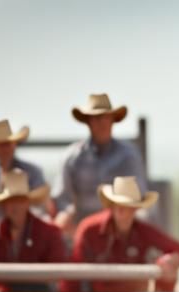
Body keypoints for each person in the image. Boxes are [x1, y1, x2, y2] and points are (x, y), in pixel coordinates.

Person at [52, 94, 147, 234]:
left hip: (120, 215)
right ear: (88, 122)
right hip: (81, 221)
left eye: (106, 117)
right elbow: (62, 198)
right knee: (59, 223)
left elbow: (138, 192)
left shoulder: (128, 155)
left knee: (145, 216)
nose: (102, 122)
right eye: (97, 118)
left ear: (112, 120)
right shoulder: (72, 157)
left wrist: (118, 211)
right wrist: (66, 213)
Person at [0, 120, 46, 201]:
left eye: (7, 144)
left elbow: (40, 203)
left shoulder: (33, 171)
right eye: (0, 144)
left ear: (15, 144)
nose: (4, 149)